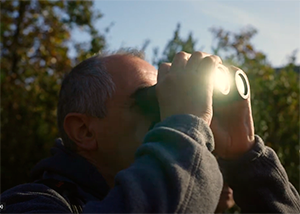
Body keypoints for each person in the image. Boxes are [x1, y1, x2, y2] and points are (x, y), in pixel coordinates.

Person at [1, 49, 300, 213]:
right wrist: (186, 122)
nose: (167, 113)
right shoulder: (28, 205)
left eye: (167, 98)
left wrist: (244, 156)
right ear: (84, 130)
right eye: (152, 100)